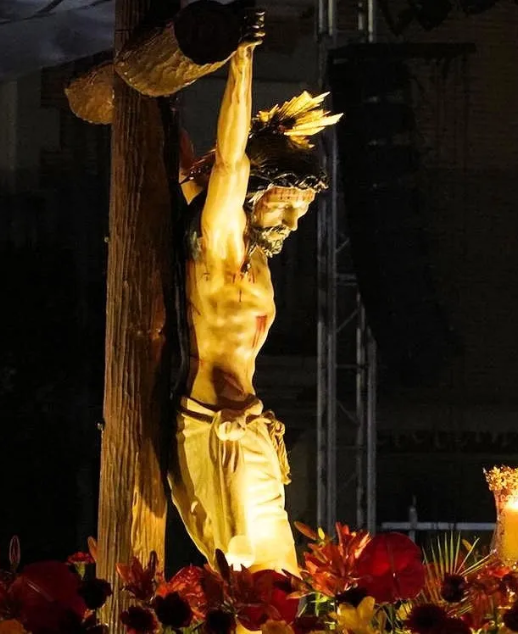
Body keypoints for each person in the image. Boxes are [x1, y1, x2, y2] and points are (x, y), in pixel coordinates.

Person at [169, 10, 341, 574]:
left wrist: (167, 111)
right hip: (216, 423)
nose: (293, 222)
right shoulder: (221, 242)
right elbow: (229, 161)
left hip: (250, 422)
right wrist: (241, 61)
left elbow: (185, 168)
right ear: (252, 196)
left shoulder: (258, 258)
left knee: (275, 573)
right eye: (285, 207)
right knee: (260, 572)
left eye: (302, 211)